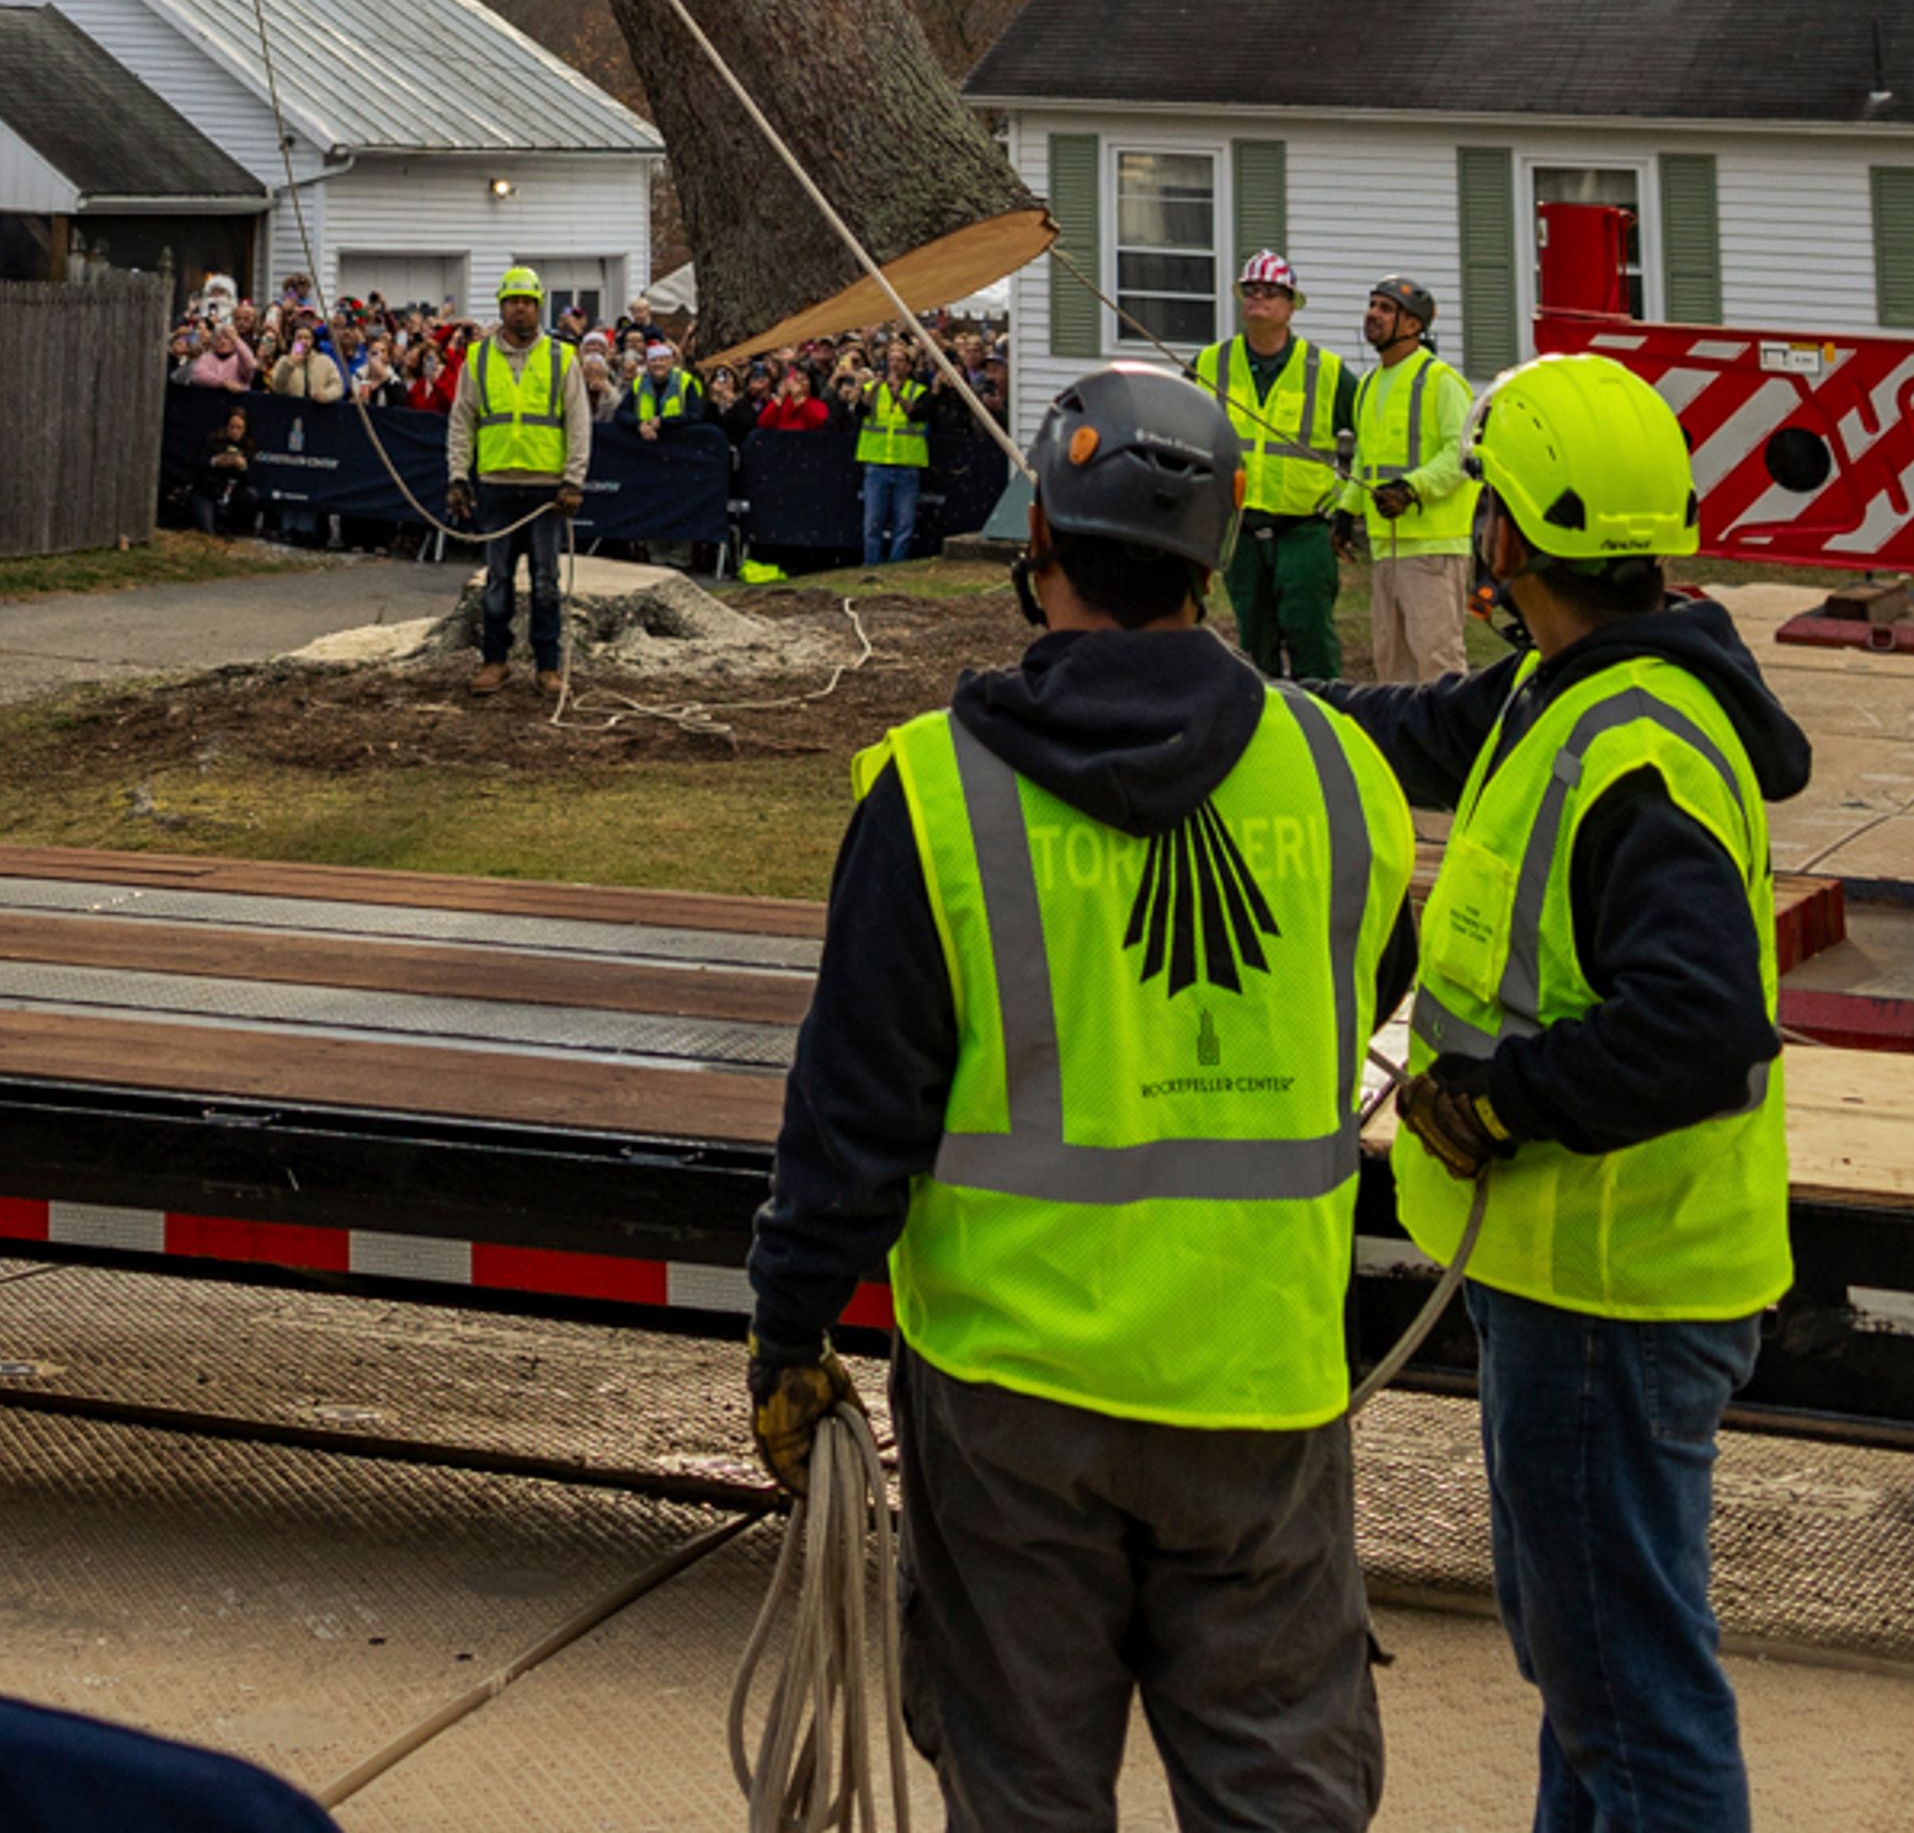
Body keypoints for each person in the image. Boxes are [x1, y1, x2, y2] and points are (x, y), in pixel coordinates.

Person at [747, 359, 1412, 1833]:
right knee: (1284, 1795)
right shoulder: (1339, 776)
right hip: (1261, 1393)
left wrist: (787, 1327)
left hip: (1013, 1410)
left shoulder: (935, 794)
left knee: (1024, 1794)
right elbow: (1352, 1010)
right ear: (1223, 547)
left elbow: (852, 1111)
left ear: (1036, 535)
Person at [1336, 353, 1809, 1833]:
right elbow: (1420, 730)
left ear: (1509, 538)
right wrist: (1235, 698)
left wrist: (1503, 1095)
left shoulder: (1637, 752)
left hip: (1613, 1289)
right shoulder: (1576, 684)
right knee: (1586, 1678)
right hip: (1578, 1276)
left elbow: (1702, 1025)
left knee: (1631, 1702)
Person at [1194, 253, 1353, 682]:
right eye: (1251, 291)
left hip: (1304, 529)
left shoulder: (1329, 371)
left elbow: (1367, 439)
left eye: (1270, 293)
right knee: (1254, 641)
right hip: (1241, 529)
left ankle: (1325, 723)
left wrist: (1346, 506)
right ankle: (1266, 726)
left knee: (1311, 638)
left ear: (1291, 305)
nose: (1258, 300)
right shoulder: (1210, 364)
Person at [447, 256, 589, 689]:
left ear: (539, 306)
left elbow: (578, 422)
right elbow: (462, 420)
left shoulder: (562, 358)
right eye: (513, 302)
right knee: (498, 580)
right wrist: (457, 476)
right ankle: (495, 660)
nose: (520, 309)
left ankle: (548, 665)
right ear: (502, 307)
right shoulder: (478, 357)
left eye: (528, 302)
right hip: (496, 485)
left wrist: (574, 479)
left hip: (547, 490)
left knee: (547, 581)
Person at [1347, 277, 1475, 683]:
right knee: (1391, 667)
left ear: (1413, 326)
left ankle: (1452, 745)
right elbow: (1365, 460)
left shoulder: (1440, 381)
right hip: (1387, 546)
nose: (1373, 315)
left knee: (1437, 663)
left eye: (1386, 309)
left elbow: (1463, 453)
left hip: (1434, 548)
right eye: (1372, 305)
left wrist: (1411, 488)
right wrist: (1344, 511)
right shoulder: (1368, 384)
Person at [855, 346, 934, 568]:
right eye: (891, 360)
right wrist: (874, 389)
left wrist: (898, 395)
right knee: (872, 523)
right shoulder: (873, 388)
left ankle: (897, 567)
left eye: (900, 360)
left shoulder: (919, 391)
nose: (895, 364)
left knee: (904, 524)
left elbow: (921, 414)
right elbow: (859, 411)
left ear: (909, 366)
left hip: (906, 465)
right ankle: (871, 564)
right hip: (877, 463)